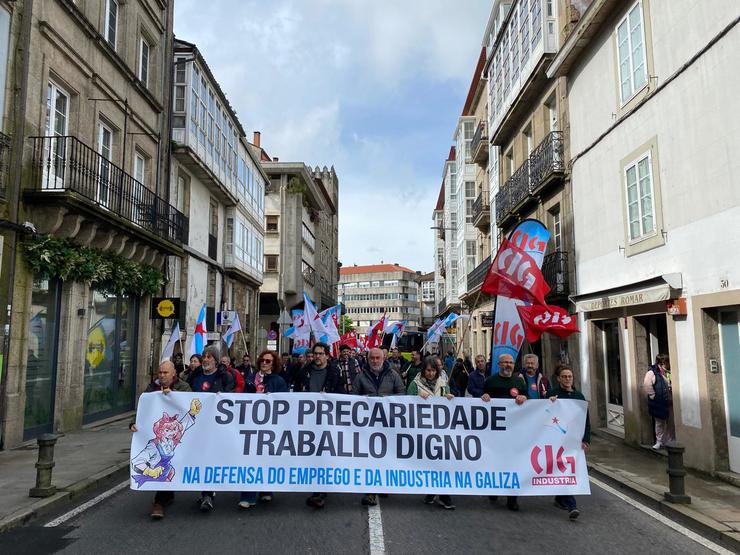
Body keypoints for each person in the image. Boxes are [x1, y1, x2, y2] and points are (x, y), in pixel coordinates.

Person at [130, 361, 191, 520]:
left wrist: (173, 396)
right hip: (161, 439)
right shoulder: (152, 388)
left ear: (173, 374)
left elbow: (188, 403)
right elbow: (142, 408)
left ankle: (170, 494)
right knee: (161, 466)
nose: (162, 376)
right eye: (160, 372)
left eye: (165, 373)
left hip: (177, 436)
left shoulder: (183, 387)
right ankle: (159, 501)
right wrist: (133, 423)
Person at [352, 347, 405, 506]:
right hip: (367, 425)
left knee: (386, 455)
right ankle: (370, 492)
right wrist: (366, 399)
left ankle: (383, 484)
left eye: (377, 358)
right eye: (372, 358)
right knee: (370, 457)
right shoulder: (360, 376)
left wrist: (387, 399)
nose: (375, 361)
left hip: (387, 424)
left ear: (383, 358)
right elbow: (353, 399)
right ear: (368, 359)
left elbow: (402, 394)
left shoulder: (393, 375)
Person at [184, 347, 235, 511]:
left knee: (210, 456)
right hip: (197, 424)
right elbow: (184, 393)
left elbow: (232, 396)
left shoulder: (224, 377)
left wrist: (224, 396)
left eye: (209, 357)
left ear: (216, 360)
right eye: (204, 356)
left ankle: (207, 493)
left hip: (215, 425)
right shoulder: (195, 376)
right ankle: (205, 490)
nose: (206, 359)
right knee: (199, 456)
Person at [239, 350, 287, 509]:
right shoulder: (251, 378)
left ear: (274, 364)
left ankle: (266, 489)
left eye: (268, 361)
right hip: (251, 424)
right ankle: (248, 495)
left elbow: (284, 402)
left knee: (267, 458)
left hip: (270, 425)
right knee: (250, 459)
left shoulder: (278, 381)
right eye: (262, 361)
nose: (264, 363)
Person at [408, 356, 456, 510]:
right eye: (428, 370)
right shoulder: (415, 385)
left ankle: (443, 494)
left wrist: (449, 398)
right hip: (422, 431)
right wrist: (416, 398)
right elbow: (406, 402)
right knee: (428, 462)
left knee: (441, 462)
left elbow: (450, 404)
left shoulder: (443, 385)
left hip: (440, 431)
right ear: (423, 370)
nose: (430, 373)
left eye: (433, 370)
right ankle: (431, 491)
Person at [482, 353, 527, 511]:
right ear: (499, 364)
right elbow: (482, 400)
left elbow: (528, 401)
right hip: (495, 431)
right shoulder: (491, 381)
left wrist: (524, 397)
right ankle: (494, 489)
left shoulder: (519, 381)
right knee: (495, 461)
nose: (508, 365)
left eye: (511, 362)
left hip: (514, 431)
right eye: (505, 362)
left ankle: (512, 498)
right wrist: (484, 396)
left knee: (513, 463)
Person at [303, 343, 346, 509]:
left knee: (324, 454)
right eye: (316, 353)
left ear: (327, 355)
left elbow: (342, 394)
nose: (318, 356)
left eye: (321, 353)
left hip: (328, 420)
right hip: (309, 419)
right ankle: (317, 488)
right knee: (312, 454)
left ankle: (320, 491)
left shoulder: (335, 373)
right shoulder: (305, 371)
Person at [547, 365, 590, 520]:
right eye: (564, 376)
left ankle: (565, 501)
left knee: (568, 470)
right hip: (556, 440)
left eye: (569, 376)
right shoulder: (552, 394)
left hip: (573, 441)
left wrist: (586, 439)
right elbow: (542, 413)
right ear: (558, 379)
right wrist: (548, 403)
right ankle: (570, 504)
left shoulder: (579, 396)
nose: (567, 379)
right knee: (561, 469)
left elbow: (586, 419)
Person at [643, 354, 674, 449]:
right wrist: (653, 396)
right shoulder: (652, 373)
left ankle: (669, 440)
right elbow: (647, 385)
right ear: (663, 363)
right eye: (668, 362)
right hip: (658, 401)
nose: (669, 364)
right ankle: (659, 441)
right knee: (659, 422)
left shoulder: (668, 372)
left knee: (670, 422)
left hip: (669, 400)